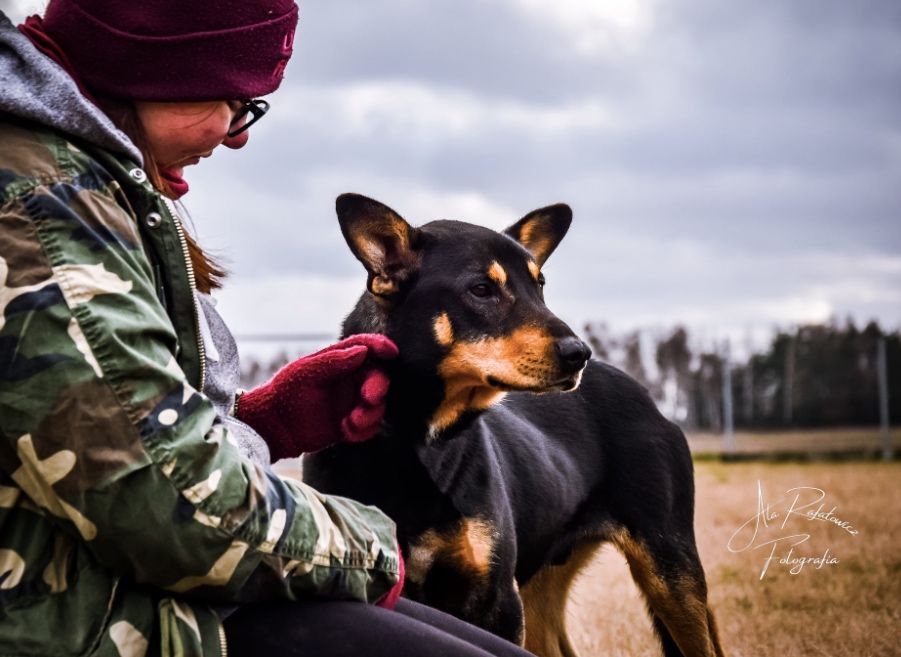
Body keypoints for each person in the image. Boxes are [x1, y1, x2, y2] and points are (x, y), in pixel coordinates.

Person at [0, 2, 539, 656]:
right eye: (233, 99)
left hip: (126, 593)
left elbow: (97, 435)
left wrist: (263, 422)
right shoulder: (44, 209)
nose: (237, 134)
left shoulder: (80, 180)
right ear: (156, 67)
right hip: (79, 624)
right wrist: (375, 546)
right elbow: (172, 511)